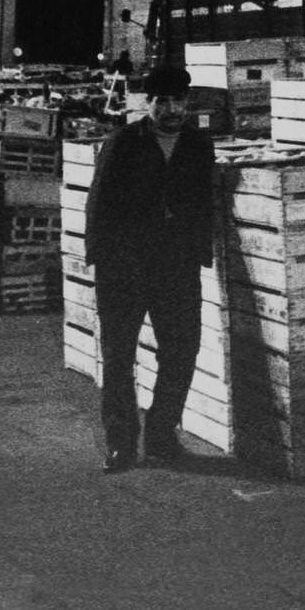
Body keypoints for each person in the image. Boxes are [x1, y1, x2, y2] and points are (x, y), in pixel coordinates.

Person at [85, 64, 215, 474]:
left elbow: (202, 200)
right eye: (163, 101)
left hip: (175, 265)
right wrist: (102, 260)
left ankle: (160, 432)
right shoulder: (124, 141)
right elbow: (98, 203)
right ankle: (121, 445)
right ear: (148, 103)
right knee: (119, 356)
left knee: (181, 349)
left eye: (179, 101)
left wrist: (199, 252)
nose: (172, 109)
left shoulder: (198, 144)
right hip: (125, 265)